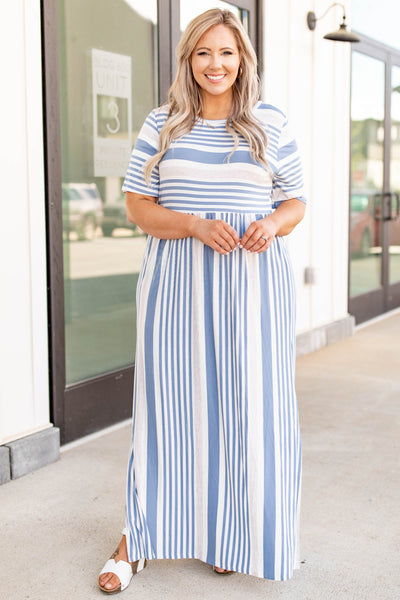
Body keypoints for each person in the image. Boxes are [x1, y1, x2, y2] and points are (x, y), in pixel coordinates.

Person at [99, 8, 306, 594]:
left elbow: (296, 201)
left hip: (253, 291)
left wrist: (273, 224)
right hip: (176, 292)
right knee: (168, 415)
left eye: (227, 53)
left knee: (250, 413)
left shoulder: (270, 123)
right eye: (203, 53)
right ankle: (134, 540)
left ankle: (231, 536)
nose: (216, 65)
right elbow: (139, 206)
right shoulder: (162, 123)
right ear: (189, 60)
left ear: (243, 60)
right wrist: (192, 224)